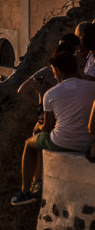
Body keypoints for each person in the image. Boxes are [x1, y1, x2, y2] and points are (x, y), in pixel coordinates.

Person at [12, 51, 95, 205]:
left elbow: (48, 126)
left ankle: (25, 192)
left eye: (54, 71)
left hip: (62, 142)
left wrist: (39, 127)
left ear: (59, 71)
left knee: (29, 144)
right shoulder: (92, 87)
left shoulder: (50, 94)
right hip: (89, 142)